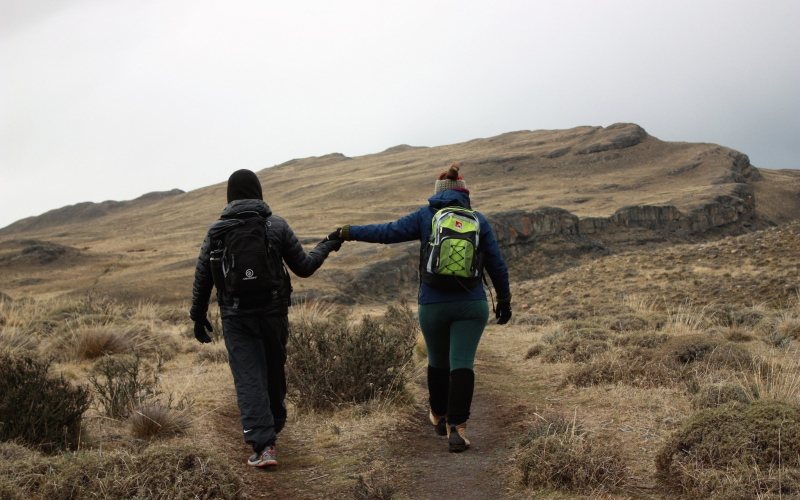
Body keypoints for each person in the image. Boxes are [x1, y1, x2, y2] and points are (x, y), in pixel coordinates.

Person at [336, 163, 511, 452]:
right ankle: (458, 429)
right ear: (464, 192)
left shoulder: (424, 216)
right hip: (471, 304)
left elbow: (386, 232)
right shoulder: (478, 220)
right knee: (462, 365)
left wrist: (348, 231)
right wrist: (503, 301)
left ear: (437, 192)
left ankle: (438, 415)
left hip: (433, 304)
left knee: (437, 362)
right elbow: (497, 265)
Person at [190, 169, 342, 468]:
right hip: (273, 312)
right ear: (258, 192)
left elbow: (202, 277)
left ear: (230, 196)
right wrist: (327, 243)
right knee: (274, 371)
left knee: (249, 378)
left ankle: (264, 446)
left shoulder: (216, 231)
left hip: (236, 316)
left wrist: (198, 316)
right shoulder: (276, 225)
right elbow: (305, 267)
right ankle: (274, 425)